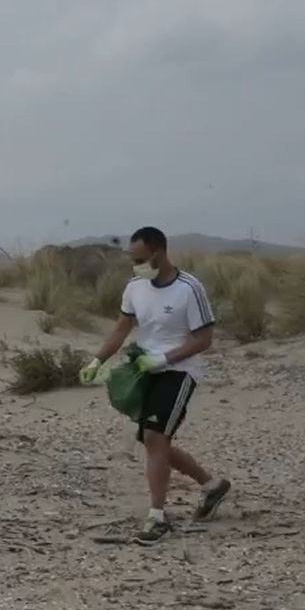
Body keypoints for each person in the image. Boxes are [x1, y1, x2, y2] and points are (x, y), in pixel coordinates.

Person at [79, 227, 232, 545]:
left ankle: (157, 518)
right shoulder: (135, 287)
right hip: (144, 371)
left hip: (179, 371)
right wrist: (97, 361)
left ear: (159, 253)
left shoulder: (189, 288)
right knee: (154, 442)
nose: (136, 265)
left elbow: (204, 339)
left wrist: (165, 359)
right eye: (133, 260)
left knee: (154, 437)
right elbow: (121, 328)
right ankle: (211, 485)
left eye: (141, 259)